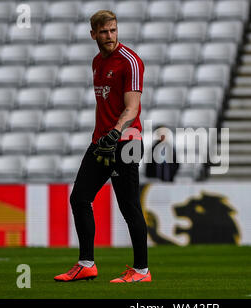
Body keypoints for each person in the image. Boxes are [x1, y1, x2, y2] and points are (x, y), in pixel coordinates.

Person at [54, 10, 151, 283]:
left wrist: (115, 131)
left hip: (125, 142)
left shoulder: (131, 61)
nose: (109, 36)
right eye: (104, 32)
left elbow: (132, 108)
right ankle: (86, 264)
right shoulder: (97, 61)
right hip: (101, 142)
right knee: (80, 198)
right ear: (93, 34)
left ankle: (142, 271)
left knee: (129, 206)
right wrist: (103, 137)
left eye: (113, 30)